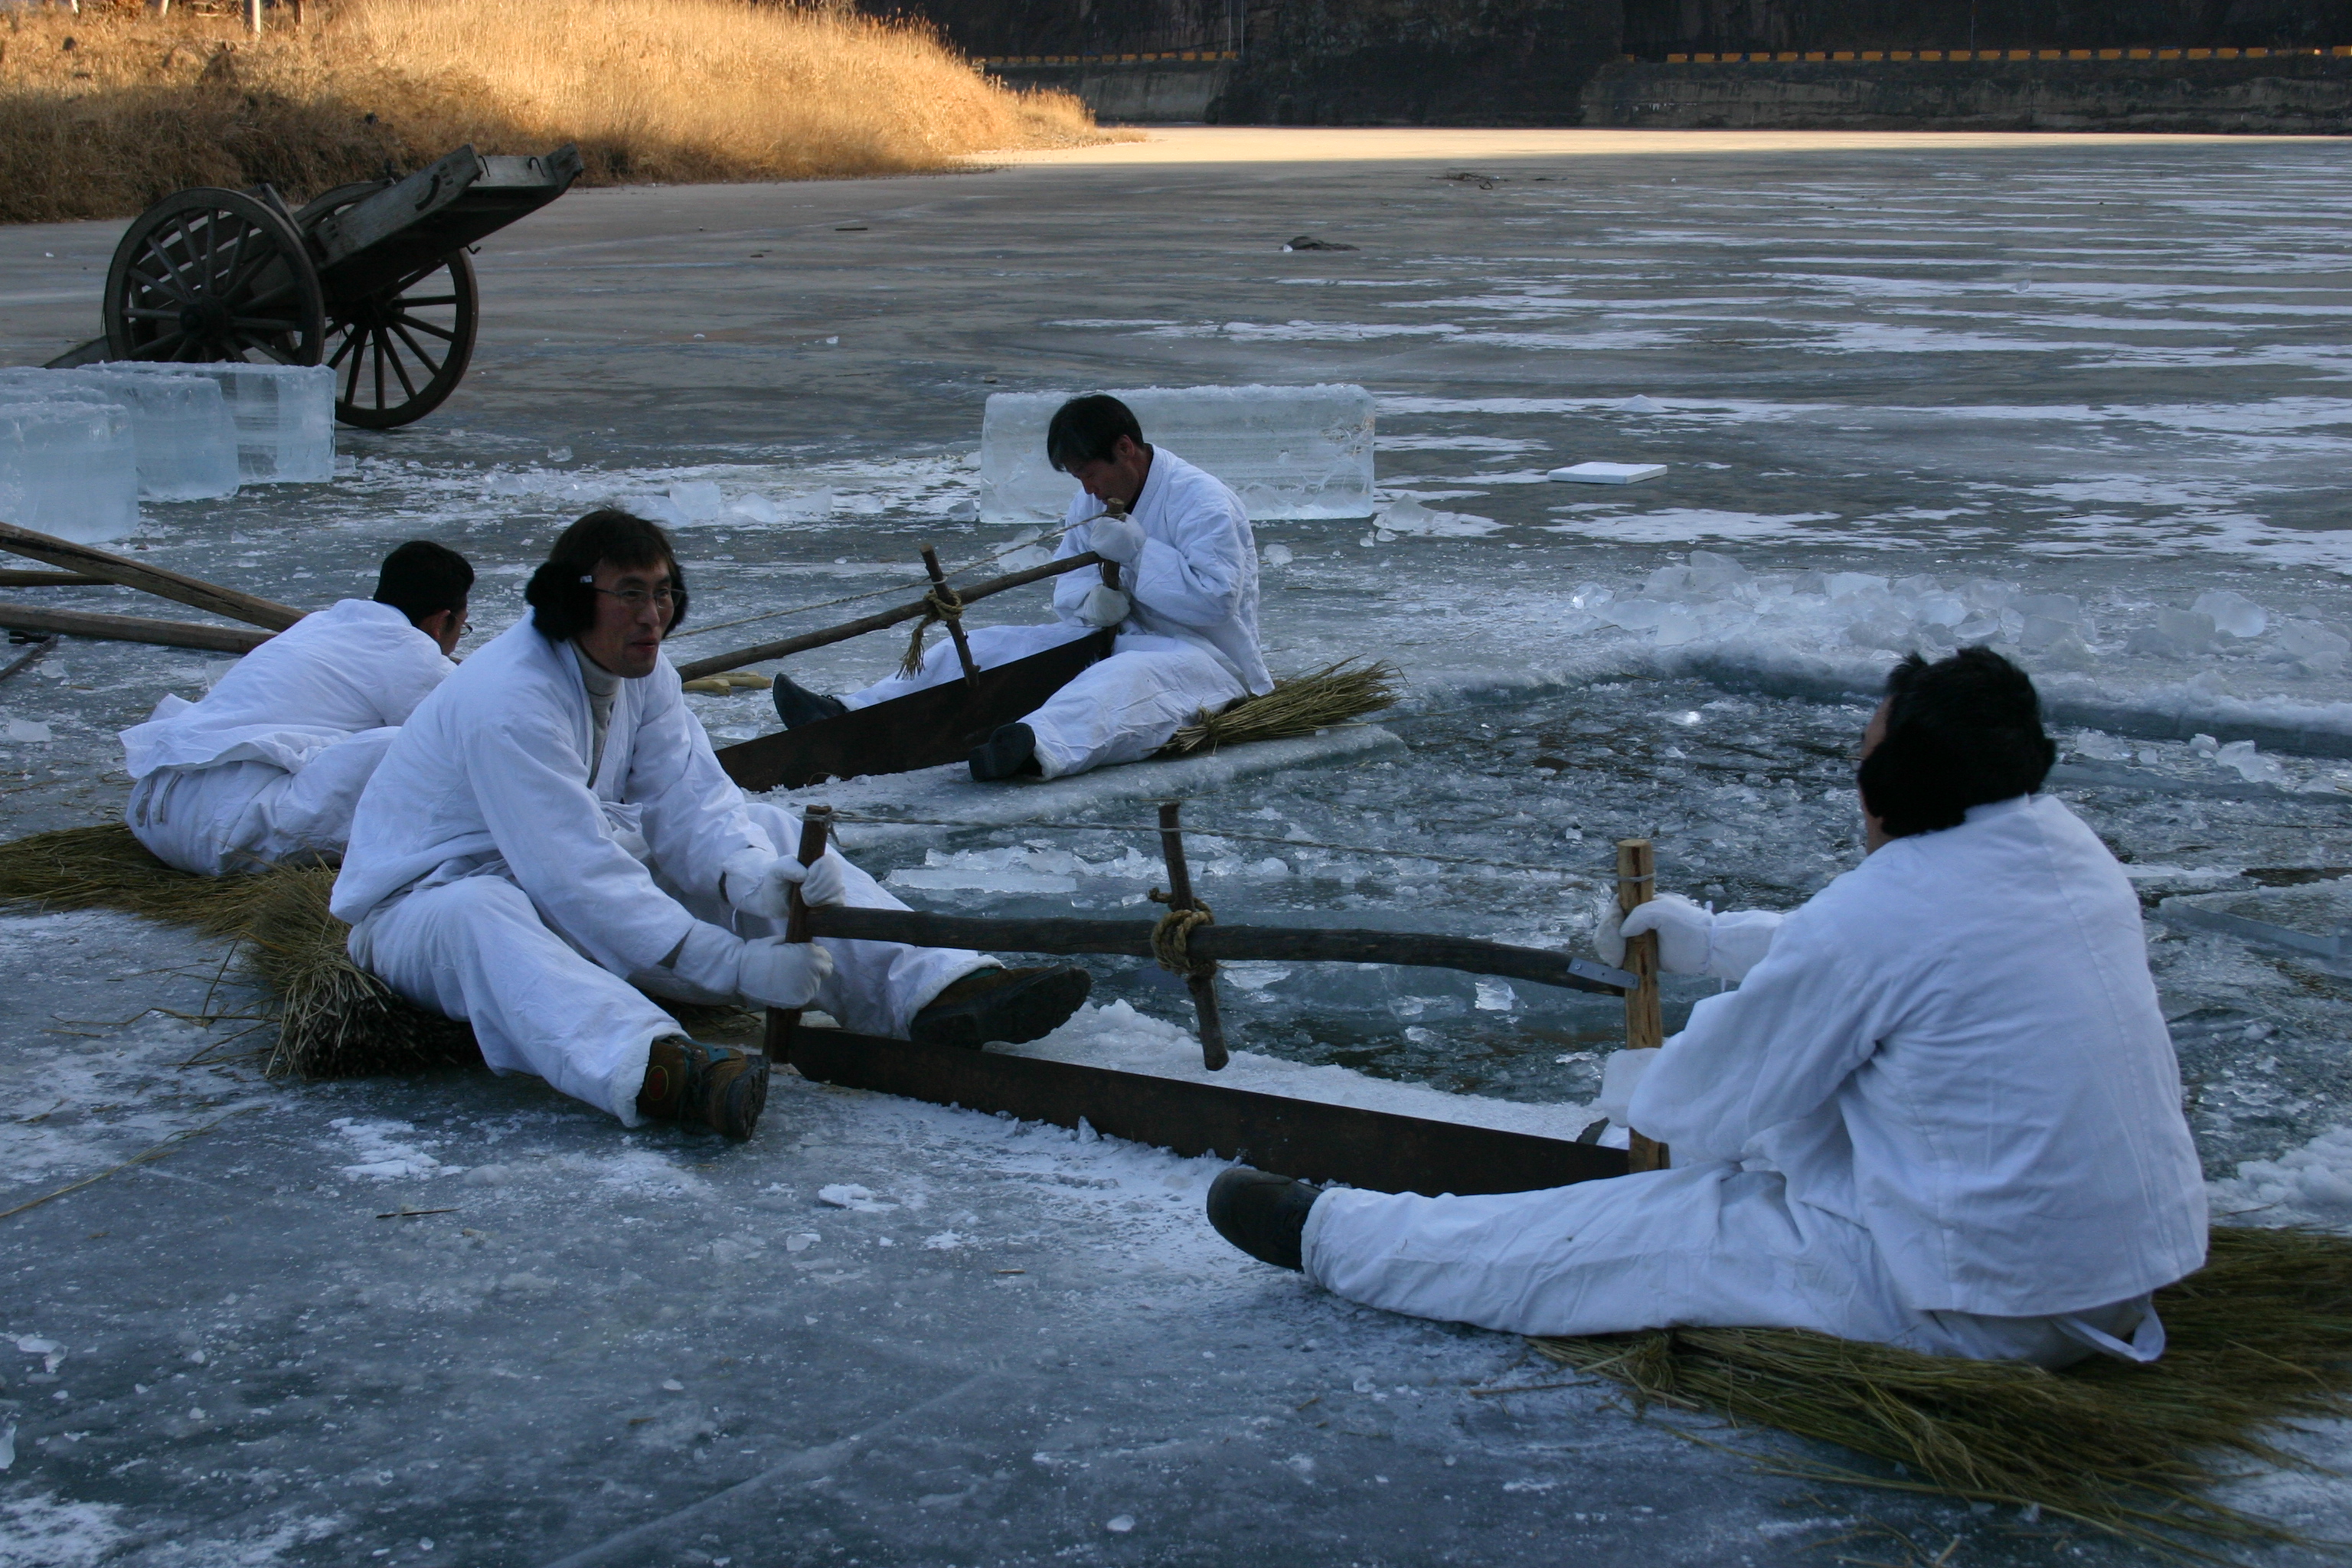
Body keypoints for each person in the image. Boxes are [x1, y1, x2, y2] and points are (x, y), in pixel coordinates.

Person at [1204, 648, 2209, 1368]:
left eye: (1863, 765)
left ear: (1890, 789)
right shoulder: (2066, 853)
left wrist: (1645, 1081)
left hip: (1969, 1305)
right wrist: (1721, 944)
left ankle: (1336, 1239)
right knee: (1812, 1118)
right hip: (2112, 1288)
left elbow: (1704, 1106)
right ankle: (1349, 1233)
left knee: (1654, 1221)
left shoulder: (1884, 913)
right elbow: (1906, 957)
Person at [331, 510, 1093, 1142]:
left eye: (662, 593)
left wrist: (754, 878)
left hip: (558, 872)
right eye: (629, 594)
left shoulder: (644, 672)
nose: (652, 615)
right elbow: (577, 877)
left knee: (765, 824)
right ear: (568, 601)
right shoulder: (511, 700)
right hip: (427, 900)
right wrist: (731, 966)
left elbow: (691, 801)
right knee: (481, 915)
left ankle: (934, 986)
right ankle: (654, 1064)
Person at [769, 394, 1273, 782]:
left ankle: (1034, 748)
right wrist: (1092, 605)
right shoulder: (1094, 499)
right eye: (1078, 478)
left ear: (1125, 450)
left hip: (1206, 659)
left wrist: (1139, 553)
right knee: (990, 646)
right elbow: (1068, 587)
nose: (1087, 490)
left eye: (1090, 474)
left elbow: (1215, 601)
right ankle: (851, 712)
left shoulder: (1203, 503)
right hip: (1117, 638)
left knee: (1122, 683)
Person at [120, 540, 472, 876]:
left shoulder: (321, 624)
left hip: (155, 815)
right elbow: (467, 742)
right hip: (220, 833)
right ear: (441, 622)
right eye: (463, 627)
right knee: (425, 745)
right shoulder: (411, 651)